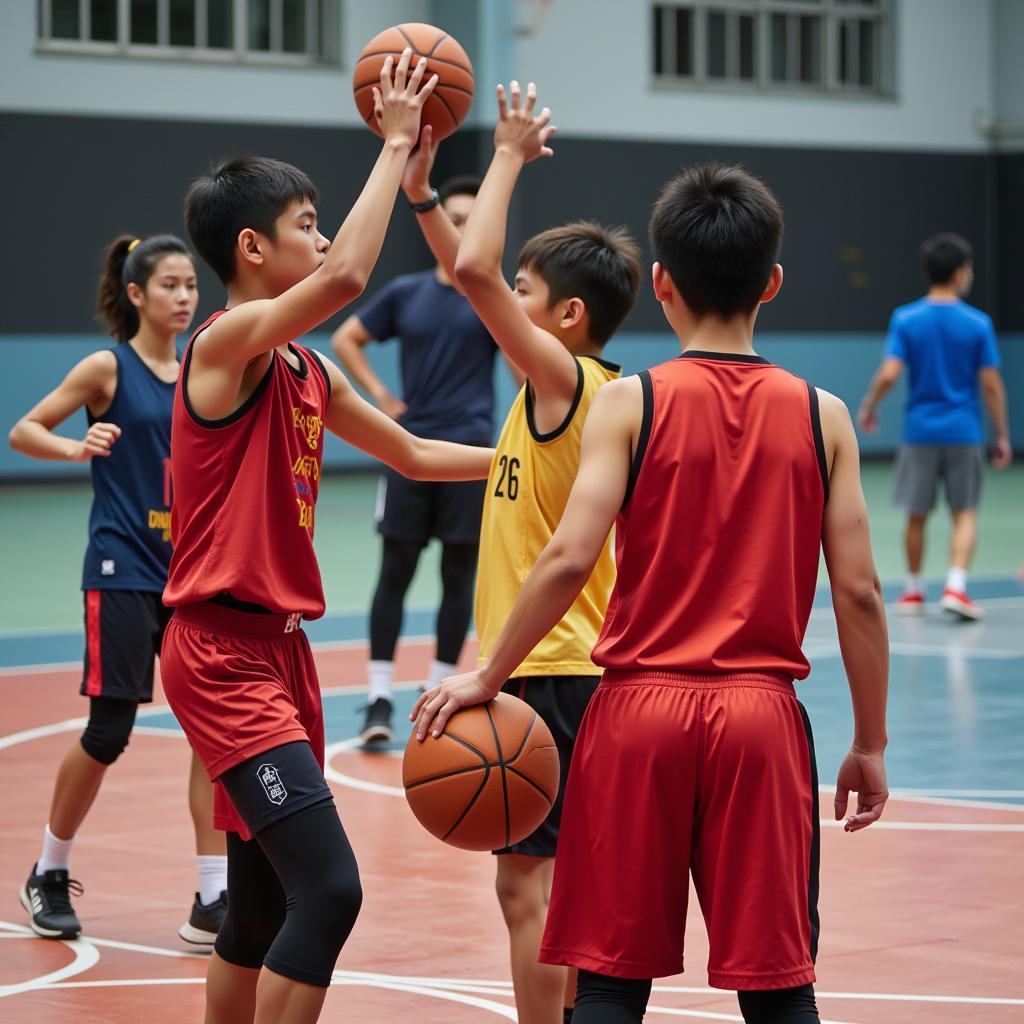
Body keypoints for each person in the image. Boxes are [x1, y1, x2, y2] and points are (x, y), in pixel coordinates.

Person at [414, 163, 891, 1024]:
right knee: (780, 987)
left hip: (635, 717)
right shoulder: (824, 414)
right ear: (772, 284)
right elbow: (858, 593)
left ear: (662, 284)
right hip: (760, 716)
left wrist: (488, 675)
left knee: (607, 987)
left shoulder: (628, 403)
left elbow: (566, 558)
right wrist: (870, 740)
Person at [160, 51, 493, 1024]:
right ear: (254, 249)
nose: (323, 237)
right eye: (305, 221)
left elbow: (417, 455)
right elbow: (351, 272)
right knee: (333, 889)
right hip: (219, 650)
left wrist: (528, 460)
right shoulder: (224, 346)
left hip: (278, 650)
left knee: (260, 908)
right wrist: (395, 145)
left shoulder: (306, 368)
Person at [412, 83, 641, 1024]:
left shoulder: (564, 380)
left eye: (528, 293)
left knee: (529, 896)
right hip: (573, 668)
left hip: (548, 670)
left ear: (569, 316)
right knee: (563, 895)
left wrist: (501, 154)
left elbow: (473, 274)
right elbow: (470, 274)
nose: (509, 296)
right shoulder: (567, 385)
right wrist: (424, 199)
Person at [9, 233, 228, 946]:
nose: (185, 296)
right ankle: (48, 869)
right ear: (136, 294)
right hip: (122, 567)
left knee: (209, 736)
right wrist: (75, 445)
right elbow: (24, 430)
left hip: (190, 571)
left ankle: (212, 896)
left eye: (191, 284)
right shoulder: (109, 367)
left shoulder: (204, 367)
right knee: (109, 732)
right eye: (169, 284)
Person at [331, 170, 504, 744]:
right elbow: (346, 338)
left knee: (459, 576)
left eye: (468, 221)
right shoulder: (406, 293)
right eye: (451, 218)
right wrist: (380, 397)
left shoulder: (489, 297)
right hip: (409, 448)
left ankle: (439, 692)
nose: (458, 228)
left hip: (471, 451)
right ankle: (379, 699)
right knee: (396, 573)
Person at [858, 232, 1012, 620]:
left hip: (919, 433)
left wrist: (869, 405)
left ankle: (913, 590)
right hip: (964, 434)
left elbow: (890, 373)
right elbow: (991, 384)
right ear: (961, 272)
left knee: (916, 513)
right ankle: (956, 587)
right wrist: (1002, 434)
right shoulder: (978, 324)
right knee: (965, 513)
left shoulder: (906, 318)